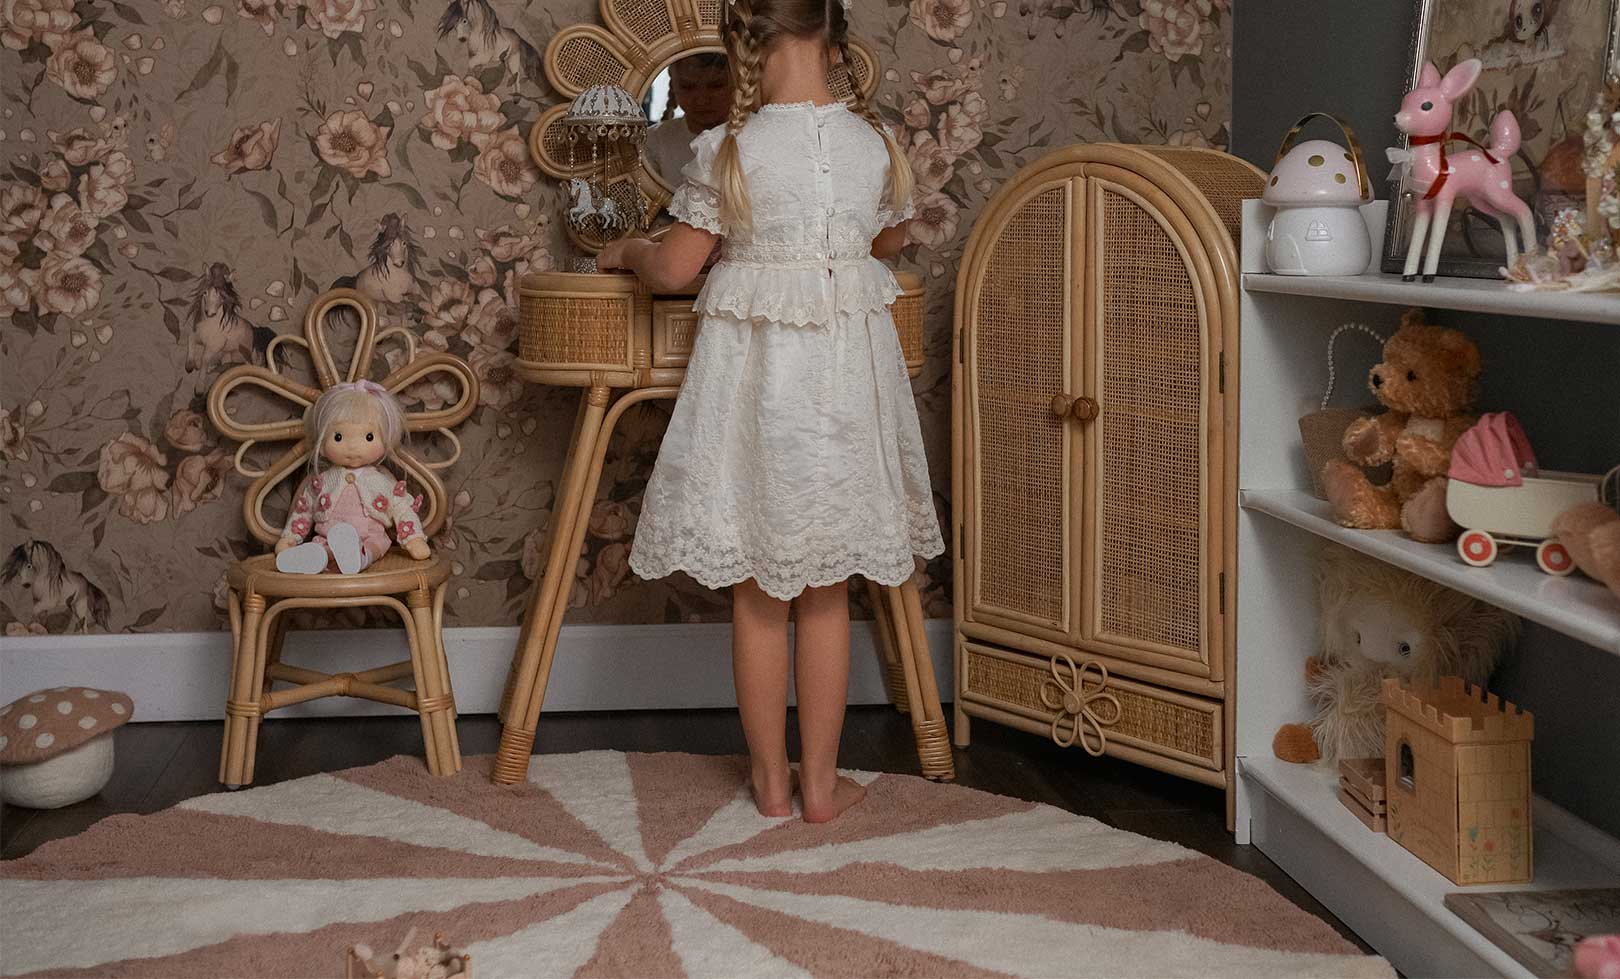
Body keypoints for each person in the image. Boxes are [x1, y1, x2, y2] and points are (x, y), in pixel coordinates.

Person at [597, 0, 940, 825]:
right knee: (824, 590)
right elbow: (889, 240)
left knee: (761, 592)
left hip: (765, 395)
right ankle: (823, 786)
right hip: (846, 396)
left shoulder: (733, 151)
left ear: (747, 36)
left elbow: (677, 267)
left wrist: (629, 249)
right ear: (831, 31)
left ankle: (773, 784)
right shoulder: (873, 145)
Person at [645, 52, 732, 184]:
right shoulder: (654, 141)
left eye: (715, 86)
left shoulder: (756, 138)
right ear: (673, 86)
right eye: (688, 87)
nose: (702, 100)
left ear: (736, 83)